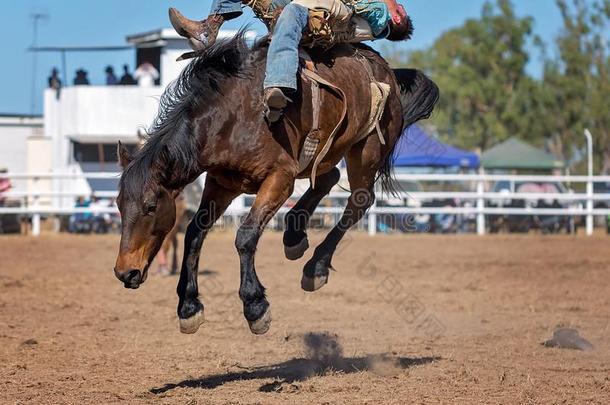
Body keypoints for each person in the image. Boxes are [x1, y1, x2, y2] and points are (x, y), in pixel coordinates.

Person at [168, 0, 412, 122]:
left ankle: (279, 84)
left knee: (290, 14)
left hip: (313, 17)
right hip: (309, 9)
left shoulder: (380, 13)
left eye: (399, 5)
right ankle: (206, 31)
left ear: (398, 17)